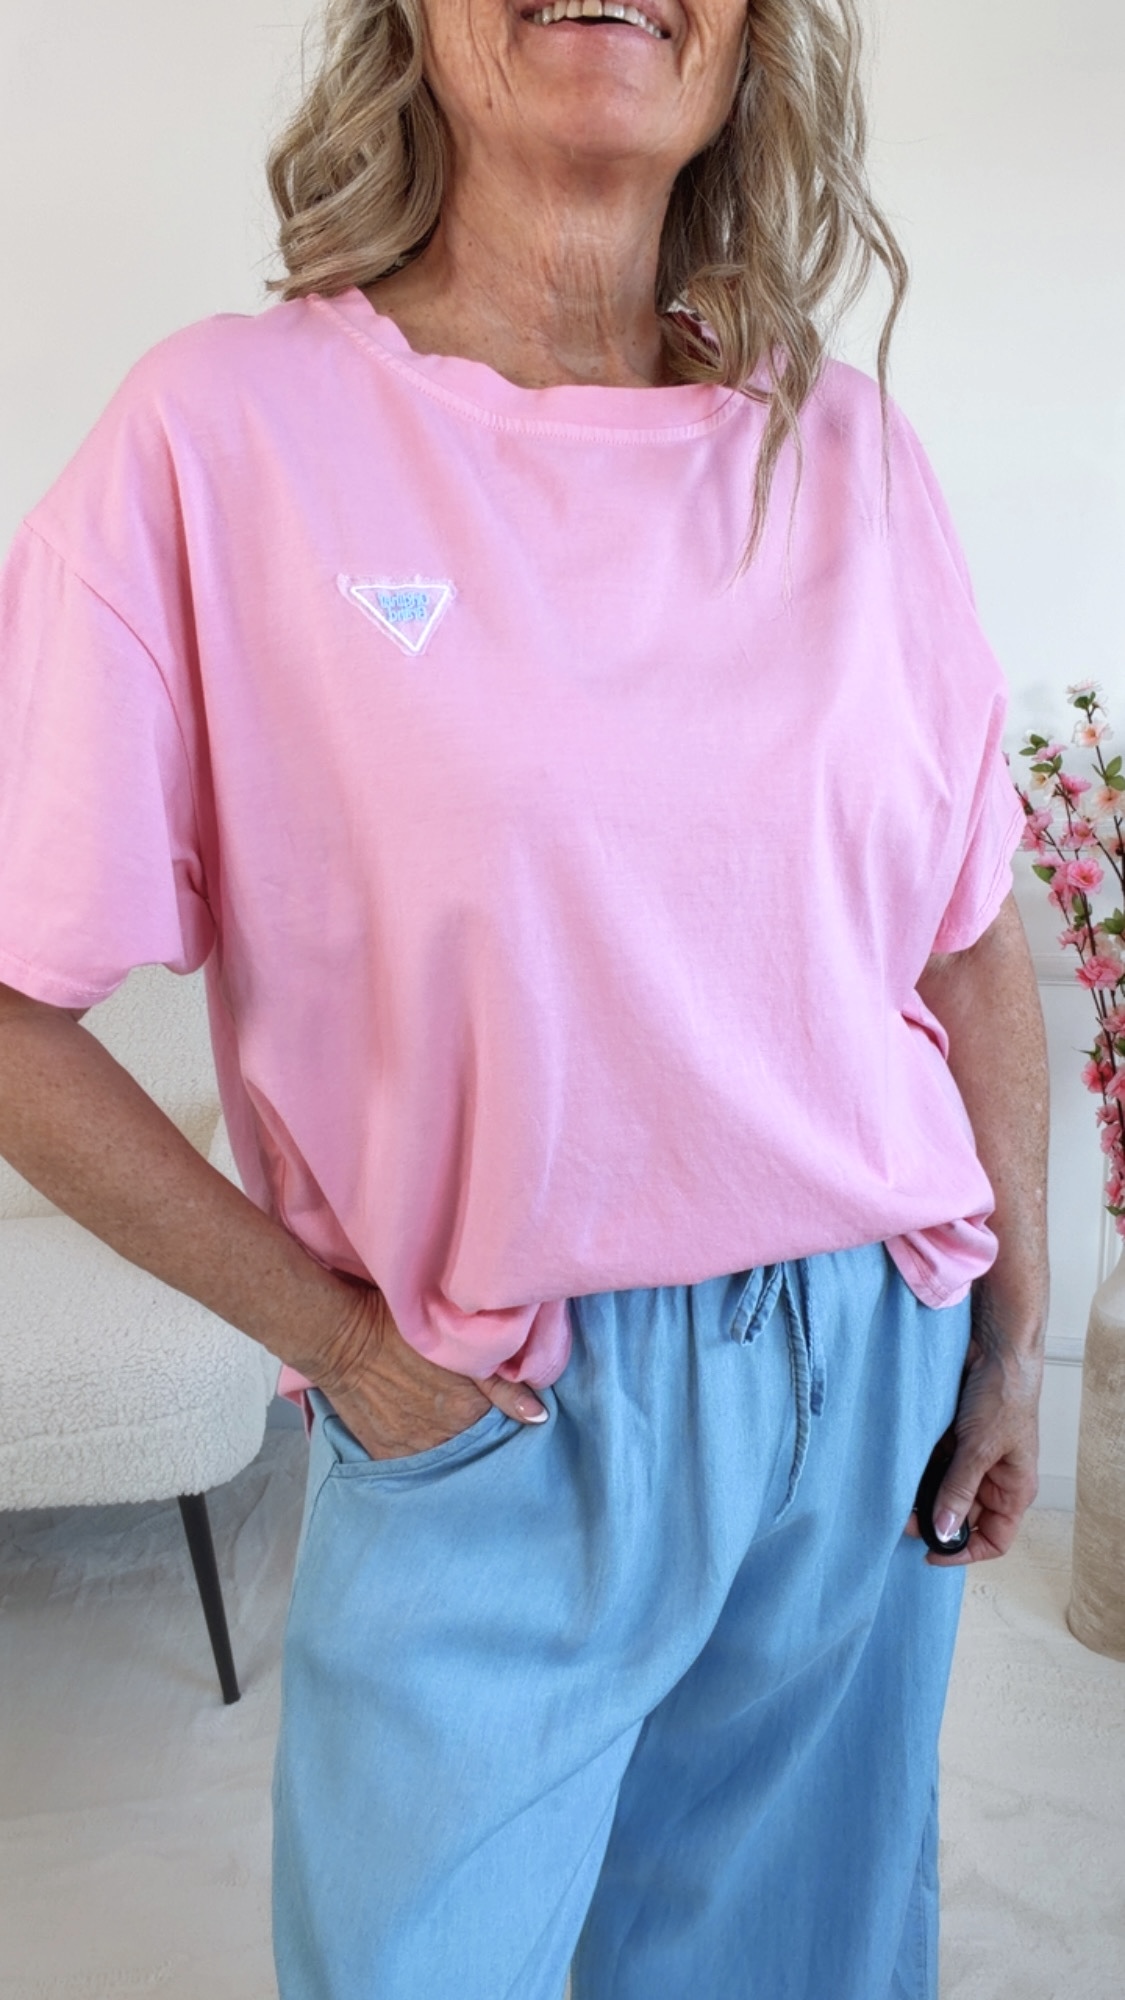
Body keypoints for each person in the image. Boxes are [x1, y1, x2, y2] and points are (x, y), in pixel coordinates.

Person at [0, 0, 1049, 1993]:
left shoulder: (842, 447)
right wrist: (334, 1344)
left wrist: (1004, 1345)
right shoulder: (224, 436)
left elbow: (966, 930)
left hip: (865, 1379)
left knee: (795, 1967)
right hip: (492, 1407)